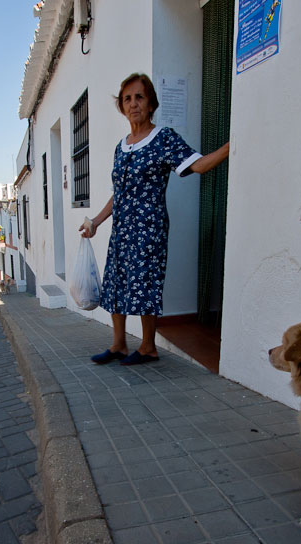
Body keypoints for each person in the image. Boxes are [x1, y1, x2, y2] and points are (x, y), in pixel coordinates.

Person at [79, 73, 229, 365]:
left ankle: (148, 347)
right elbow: (119, 194)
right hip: (122, 230)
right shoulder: (121, 147)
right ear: (122, 107)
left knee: (145, 283)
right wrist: (96, 221)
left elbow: (196, 165)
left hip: (149, 229)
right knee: (117, 282)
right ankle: (119, 344)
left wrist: (229, 146)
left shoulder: (164, 138)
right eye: (127, 99)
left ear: (150, 104)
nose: (133, 104)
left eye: (139, 97)